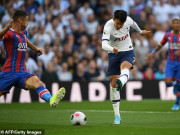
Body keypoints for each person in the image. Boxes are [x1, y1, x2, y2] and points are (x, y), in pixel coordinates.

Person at [0, 10, 65, 107]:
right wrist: (6, 28)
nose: (28, 23)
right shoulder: (9, 33)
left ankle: (51, 99)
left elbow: (24, 40)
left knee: (37, 81)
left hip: (22, 72)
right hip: (9, 72)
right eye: (26, 20)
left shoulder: (24, 32)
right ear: (20, 20)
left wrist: (36, 48)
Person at [102, 10, 150, 124]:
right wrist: (111, 49)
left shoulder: (128, 20)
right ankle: (117, 116)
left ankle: (121, 82)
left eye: (121, 24)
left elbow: (134, 24)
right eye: (117, 23)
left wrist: (140, 31)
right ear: (114, 19)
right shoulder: (108, 26)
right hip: (113, 53)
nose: (119, 26)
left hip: (127, 50)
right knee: (113, 84)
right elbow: (103, 44)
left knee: (126, 66)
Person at [146, 17, 180, 110]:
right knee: (168, 82)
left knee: (179, 84)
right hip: (170, 62)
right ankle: (174, 86)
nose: (176, 24)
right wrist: (152, 53)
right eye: (174, 23)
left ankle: (177, 103)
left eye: (178, 23)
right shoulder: (168, 35)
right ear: (172, 25)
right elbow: (160, 45)